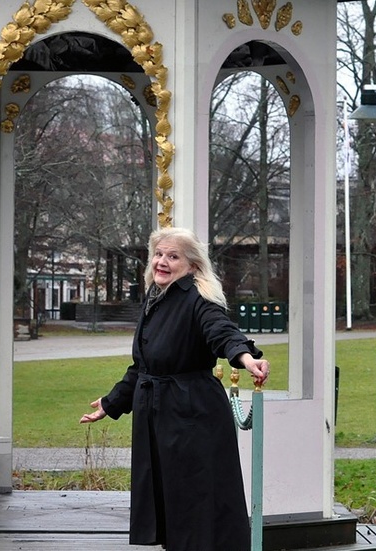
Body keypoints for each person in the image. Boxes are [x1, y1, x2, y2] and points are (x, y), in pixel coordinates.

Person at [80, 226, 270, 551]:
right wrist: (111, 403)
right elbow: (144, 365)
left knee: (194, 509)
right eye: (158, 254)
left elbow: (221, 331)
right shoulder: (156, 299)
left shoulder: (198, 299)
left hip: (192, 418)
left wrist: (245, 356)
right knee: (172, 507)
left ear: (192, 265)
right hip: (160, 416)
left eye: (173, 256)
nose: (162, 262)